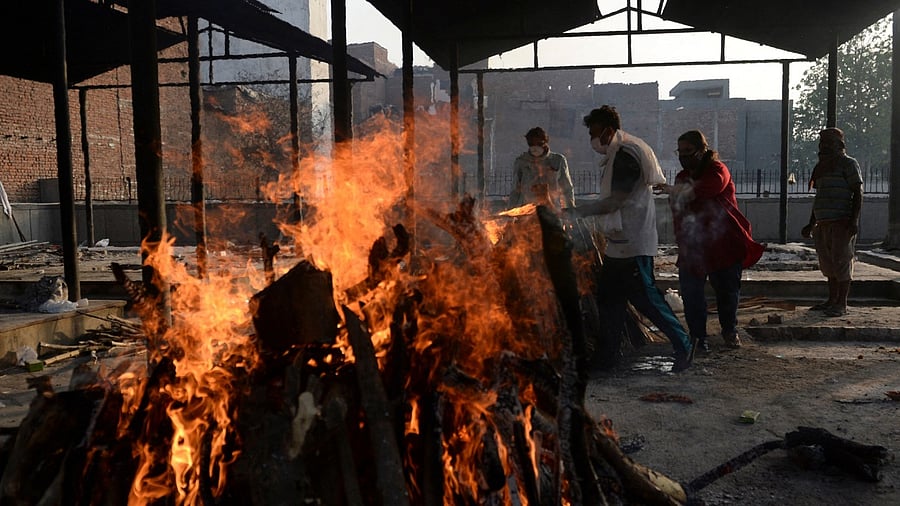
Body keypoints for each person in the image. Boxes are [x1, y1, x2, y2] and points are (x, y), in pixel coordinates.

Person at [571, 105, 694, 372]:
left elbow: (615, 200)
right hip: (619, 244)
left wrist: (578, 210)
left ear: (608, 130)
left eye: (594, 133)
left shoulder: (627, 154)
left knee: (646, 299)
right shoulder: (617, 153)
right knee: (608, 298)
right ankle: (608, 357)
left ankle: (684, 344)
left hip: (634, 241)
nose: (593, 140)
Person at [656, 130, 765, 352]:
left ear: (702, 150)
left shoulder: (717, 170)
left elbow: (704, 190)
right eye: (681, 151)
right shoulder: (682, 177)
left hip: (723, 243)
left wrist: (675, 191)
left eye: (688, 151)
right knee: (691, 293)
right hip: (694, 245)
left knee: (727, 292)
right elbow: (678, 209)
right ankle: (698, 337)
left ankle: (729, 331)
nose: (684, 156)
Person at [801, 127, 863, 317]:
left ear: (840, 145)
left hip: (841, 222)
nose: (824, 147)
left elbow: (858, 193)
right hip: (823, 223)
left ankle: (841, 303)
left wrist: (853, 220)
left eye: (829, 143)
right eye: (822, 143)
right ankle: (831, 300)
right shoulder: (821, 168)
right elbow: (819, 197)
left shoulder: (849, 164)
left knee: (842, 262)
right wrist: (811, 223)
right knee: (828, 264)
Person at [508, 127, 576, 211]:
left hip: (552, 210)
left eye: (538, 143)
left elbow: (567, 188)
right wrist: (510, 212)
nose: (534, 147)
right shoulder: (522, 162)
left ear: (544, 143)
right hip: (528, 211)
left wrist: (571, 210)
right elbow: (515, 190)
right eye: (531, 144)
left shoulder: (558, 161)